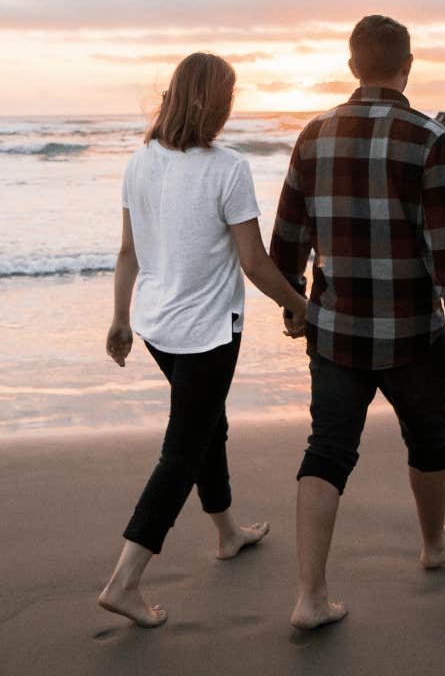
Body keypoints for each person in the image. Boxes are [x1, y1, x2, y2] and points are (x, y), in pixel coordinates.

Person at [269, 15, 445, 630]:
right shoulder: (430, 138)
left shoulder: (312, 135)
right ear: (408, 65)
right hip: (411, 333)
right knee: (428, 442)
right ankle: (433, 544)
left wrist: (293, 305)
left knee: (328, 450)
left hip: (336, 331)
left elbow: (285, 237)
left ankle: (310, 597)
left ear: (351, 66)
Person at [98, 52, 307, 628]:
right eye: (229, 97)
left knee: (208, 425)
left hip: (158, 328)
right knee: (183, 451)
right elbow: (256, 264)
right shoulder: (228, 169)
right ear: (215, 103)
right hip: (207, 335)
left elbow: (127, 253)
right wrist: (304, 308)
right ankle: (124, 582)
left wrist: (120, 318)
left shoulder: (139, 162)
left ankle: (226, 533)